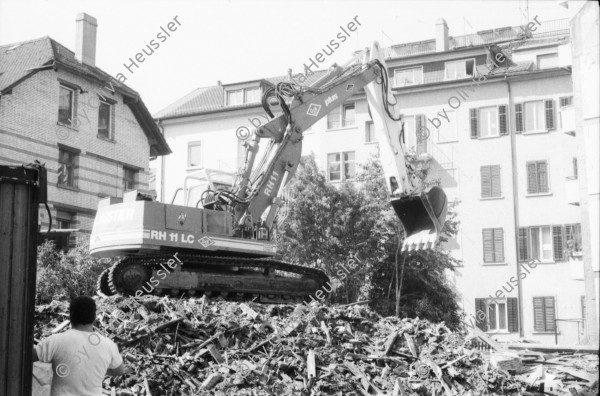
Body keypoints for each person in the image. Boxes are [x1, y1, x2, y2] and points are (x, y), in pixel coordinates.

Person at [33, 296, 133, 396]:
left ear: (71, 316)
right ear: (94, 317)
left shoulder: (54, 341)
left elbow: (27, 357)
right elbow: (119, 370)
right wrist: (99, 368)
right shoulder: (108, 345)